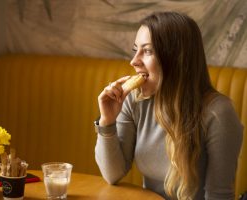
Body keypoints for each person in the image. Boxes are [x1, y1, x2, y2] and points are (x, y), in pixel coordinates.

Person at [94, 11, 243, 200]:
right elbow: (112, 174)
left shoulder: (218, 113)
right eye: (135, 50)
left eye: (147, 51)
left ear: (176, 58)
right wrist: (107, 121)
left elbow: (218, 196)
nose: (134, 61)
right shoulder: (134, 100)